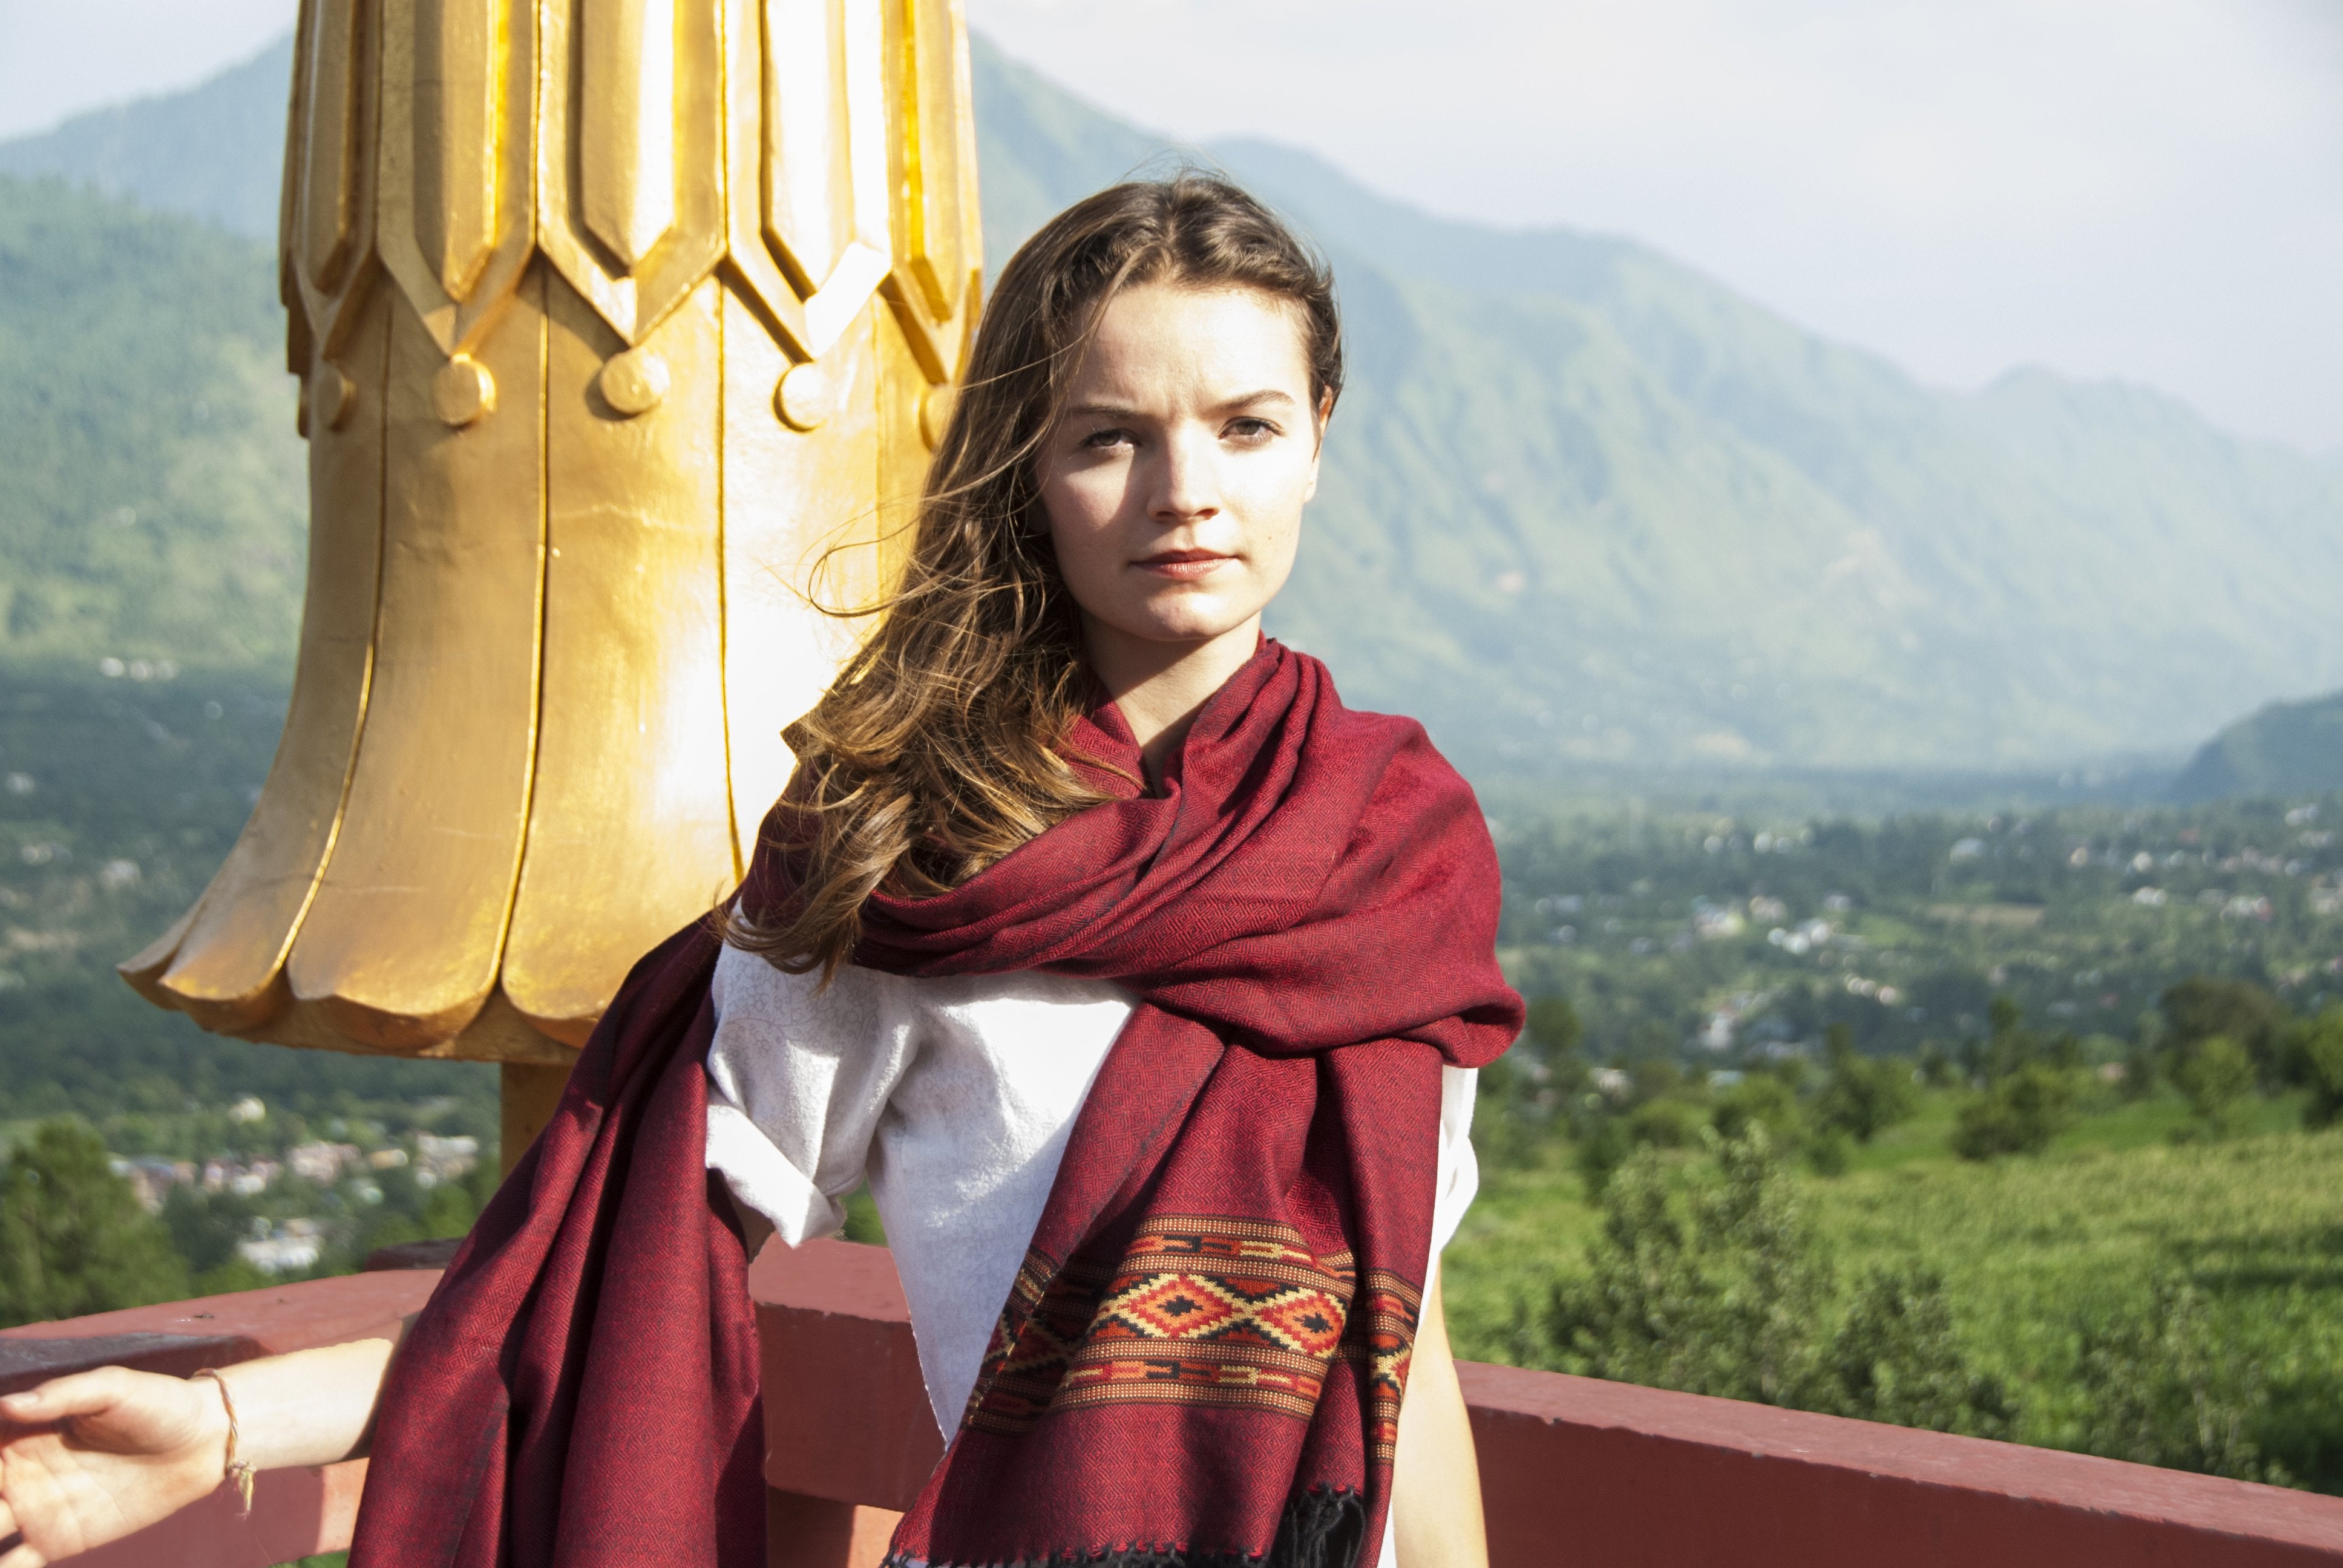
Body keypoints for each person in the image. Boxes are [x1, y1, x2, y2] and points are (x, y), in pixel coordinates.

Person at [0, 175, 1520, 1568]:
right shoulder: (906, 845)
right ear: (1028, 468)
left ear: (1319, 432)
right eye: (1108, 436)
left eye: (1245, 427)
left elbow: (1409, 1348)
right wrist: (209, 1435)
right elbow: (592, 1285)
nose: (1185, 490)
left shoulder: (1394, 847)